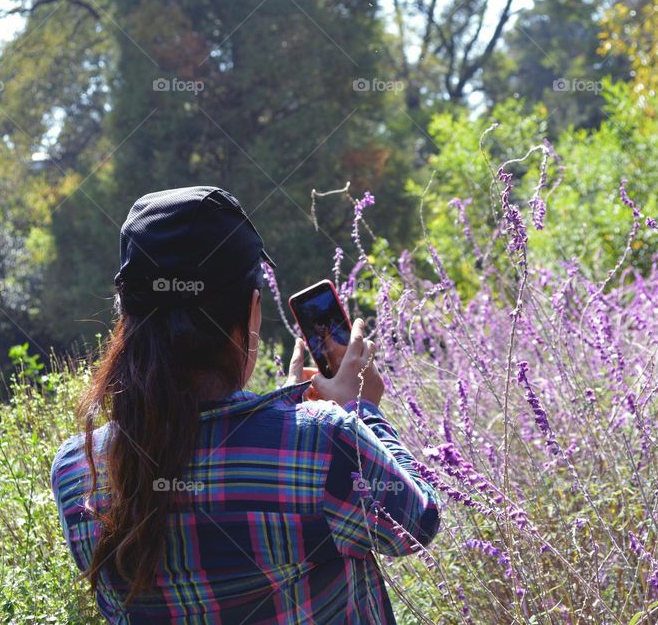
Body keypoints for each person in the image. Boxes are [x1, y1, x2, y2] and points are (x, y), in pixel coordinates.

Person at [50, 186, 441, 624]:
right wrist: (359, 411)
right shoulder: (325, 441)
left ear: (127, 320)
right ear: (252, 311)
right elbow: (417, 524)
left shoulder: (74, 471)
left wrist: (293, 412)